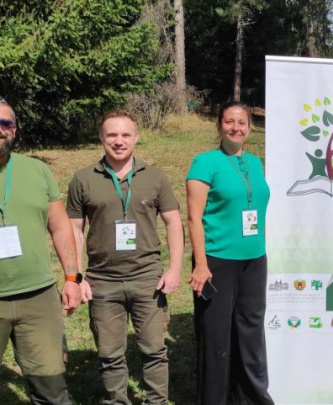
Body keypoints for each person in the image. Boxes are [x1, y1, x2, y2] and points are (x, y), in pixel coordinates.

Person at [67, 110, 183, 405]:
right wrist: (76, 276)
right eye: (112, 135)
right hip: (103, 281)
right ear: (102, 138)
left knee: (154, 350)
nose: (119, 141)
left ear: (136, 138)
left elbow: (173, 223)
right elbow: (74, 231)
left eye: (125, 135)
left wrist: (174, 269)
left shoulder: (155, 177)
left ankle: (156, 401)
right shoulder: (82, 180)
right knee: (109, 354)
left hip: (148, 279)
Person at [186, 101, 274, 405]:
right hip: (217, 262)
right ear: (219, 125)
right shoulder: (204, 162)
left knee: (250, 335)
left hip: (254, 260)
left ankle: (249, 399)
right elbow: (194, 218)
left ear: (249, 129)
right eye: (229, 121)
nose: (235, 127)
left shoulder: (255, 163)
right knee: (215, 338)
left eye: (242, 123)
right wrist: (200, 264)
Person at [0, 97, 82, 404]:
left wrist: (72, 277)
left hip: (38, 298)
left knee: (51, 389)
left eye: (5, 123)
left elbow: (60, 227)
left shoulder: (38, 171)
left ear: (15, 130)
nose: (0, 130)